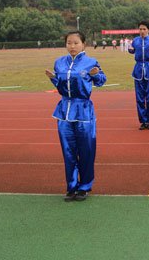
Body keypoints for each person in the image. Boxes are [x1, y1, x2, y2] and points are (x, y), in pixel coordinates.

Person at [45, 30, 106, 201]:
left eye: (76, 43)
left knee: (86, 150)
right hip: (64, 111)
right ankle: (71, 186)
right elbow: (60, 85)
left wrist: (96, 75)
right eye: (69, 43)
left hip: (83, 110)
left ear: (83, 44)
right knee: (68, 150)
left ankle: (84, 186)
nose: (72, 46)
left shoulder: (90, 62)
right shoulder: (59, 62)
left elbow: (102, 80)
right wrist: (53, 78)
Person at [129, 21, 149, 130]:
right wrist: (130, 50)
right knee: (140, 97)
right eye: (140, 29)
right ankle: (143, 121)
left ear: (148, 30)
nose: (142, 31)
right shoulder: (135, 41)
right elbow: (132, 51)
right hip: (138, 69)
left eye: (144, 29)